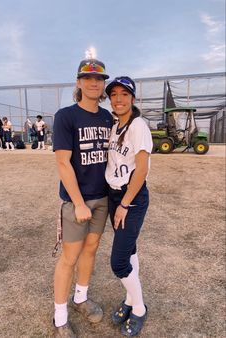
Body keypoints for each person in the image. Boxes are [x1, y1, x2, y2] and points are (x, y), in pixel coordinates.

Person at [52, 58, 113, 337]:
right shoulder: (66, 116)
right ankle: (60, 316)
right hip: (78, 201)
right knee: (69, 257)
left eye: (99, 79)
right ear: (78, 82)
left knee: (91, 250)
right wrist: (77, 203)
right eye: (87, 78)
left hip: (103, 199)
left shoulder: (107, 118)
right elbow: (63, 163)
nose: (93, 82)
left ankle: (81, 298)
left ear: (103, 85)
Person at [105, 76, 153, 337]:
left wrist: (125, 203)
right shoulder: (115, 125)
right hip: (114, 196)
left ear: (133, 99)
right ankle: (129, 299)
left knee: (119, 262)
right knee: (130, 249)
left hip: (130, 197)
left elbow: (142, 169)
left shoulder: (138, 126)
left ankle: (139, 308)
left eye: (124, 94)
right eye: (114, 94)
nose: (119, 99)